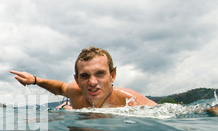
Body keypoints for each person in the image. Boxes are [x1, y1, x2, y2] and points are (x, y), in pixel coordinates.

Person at [11, 46, 157, 109]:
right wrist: (35, 80)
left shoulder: (130, 101)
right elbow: (61, 87)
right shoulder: (75, 90)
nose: (92, 82)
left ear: (112, 76)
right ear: (77, 80)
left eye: (100, 74)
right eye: (85, 76)